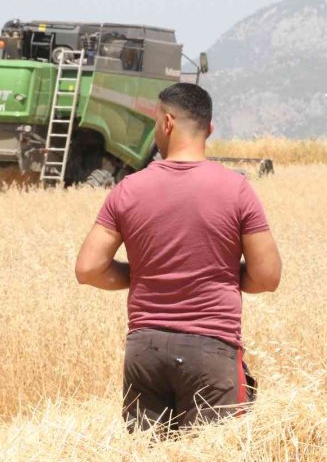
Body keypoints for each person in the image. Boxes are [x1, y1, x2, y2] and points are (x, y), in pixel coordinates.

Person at [75, 83, 282, 433]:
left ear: (167, 122)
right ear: (209, 129)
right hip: (211, 348)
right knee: (212, 453)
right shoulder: (236, 190)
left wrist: (144, 273)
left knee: (146, 452)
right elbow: (267, 277)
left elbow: (88, 269)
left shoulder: (128, 189)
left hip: (145, 349)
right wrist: (217, 273)